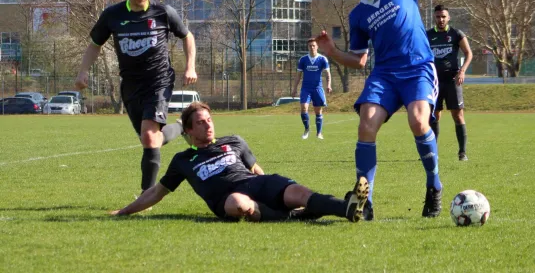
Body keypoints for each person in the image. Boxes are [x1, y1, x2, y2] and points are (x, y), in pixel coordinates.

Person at [315, 0, 455, 220]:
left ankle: (434, 185)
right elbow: (360, 60)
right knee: (366, 125)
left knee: (419, 122)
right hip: (385, 75)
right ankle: (365, 201)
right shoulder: (358, 15)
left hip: (418, 69)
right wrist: (333, 53)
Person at [110, 102, 370, 223]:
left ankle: (348, 208)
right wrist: (124, 211)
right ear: (188, 131)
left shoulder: (233, 141)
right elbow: (158, 192)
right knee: (237, 204)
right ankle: (294, 217)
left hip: (256, 184)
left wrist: (273, 189)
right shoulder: (183, 160)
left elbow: (256, 170)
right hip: (228, 198)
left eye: (209, 119)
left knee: (299, 192)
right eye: (200, 122)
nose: (208, 124)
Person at [75, 0, 197, 193]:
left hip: (159, 81)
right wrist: (83, 71)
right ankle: (181, 128)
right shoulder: (113, 15)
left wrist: (190, 67)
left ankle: (146, 197)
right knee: (152, 139)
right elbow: (94, 45)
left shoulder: (163, 13)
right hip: (130, 85)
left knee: (150, 138)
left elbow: (187, 37)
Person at [426, 5, 473, 161]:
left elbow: (468, 53)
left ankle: (462, 153)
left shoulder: (456, 34)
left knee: (458, 116)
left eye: (443, 16)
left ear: (448, 18)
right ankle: (432, 152)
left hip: (452, 80)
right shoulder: (428, 35)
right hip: (434, 82)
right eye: (438, 16)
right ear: (435, 17)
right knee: (434, 116)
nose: (441, 19)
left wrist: (462, 71)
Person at [292, 38, 332, 140]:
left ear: (317, 46)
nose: (312, 47)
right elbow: (298, 75)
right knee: (304, 108)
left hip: (318, 88)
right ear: (308, 47)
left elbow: (328, 73)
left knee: (318, 111)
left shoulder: (323, 59)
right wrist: (294, 88)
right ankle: (307, 129)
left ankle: (319, 133)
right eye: (310, 46)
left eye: (314, 45)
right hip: (306, 88)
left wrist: (328, 85)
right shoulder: (303, 60)